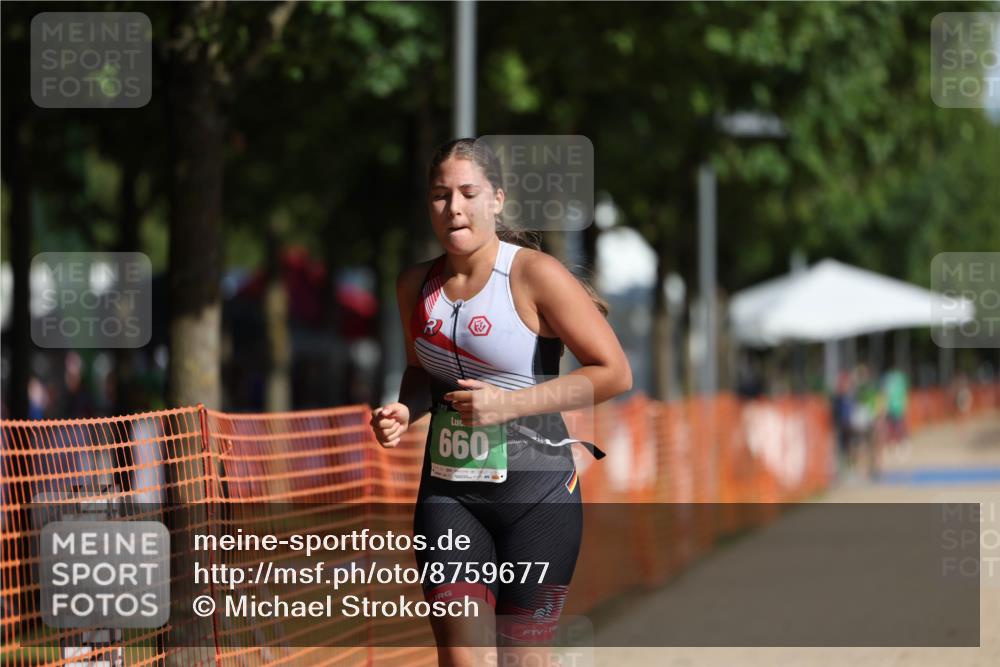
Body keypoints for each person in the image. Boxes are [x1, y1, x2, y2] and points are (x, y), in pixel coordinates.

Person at [369, 138, 632, 666]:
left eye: (469, 193)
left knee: (523, 660)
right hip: (448, 497)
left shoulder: (533, 275)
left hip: (538, 497)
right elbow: (422, 371)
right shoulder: (413, 286)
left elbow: (614, 374)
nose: (455, 207)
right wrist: (405, 408)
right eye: (441, 195)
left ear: (497, 199)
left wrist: (508, 406)